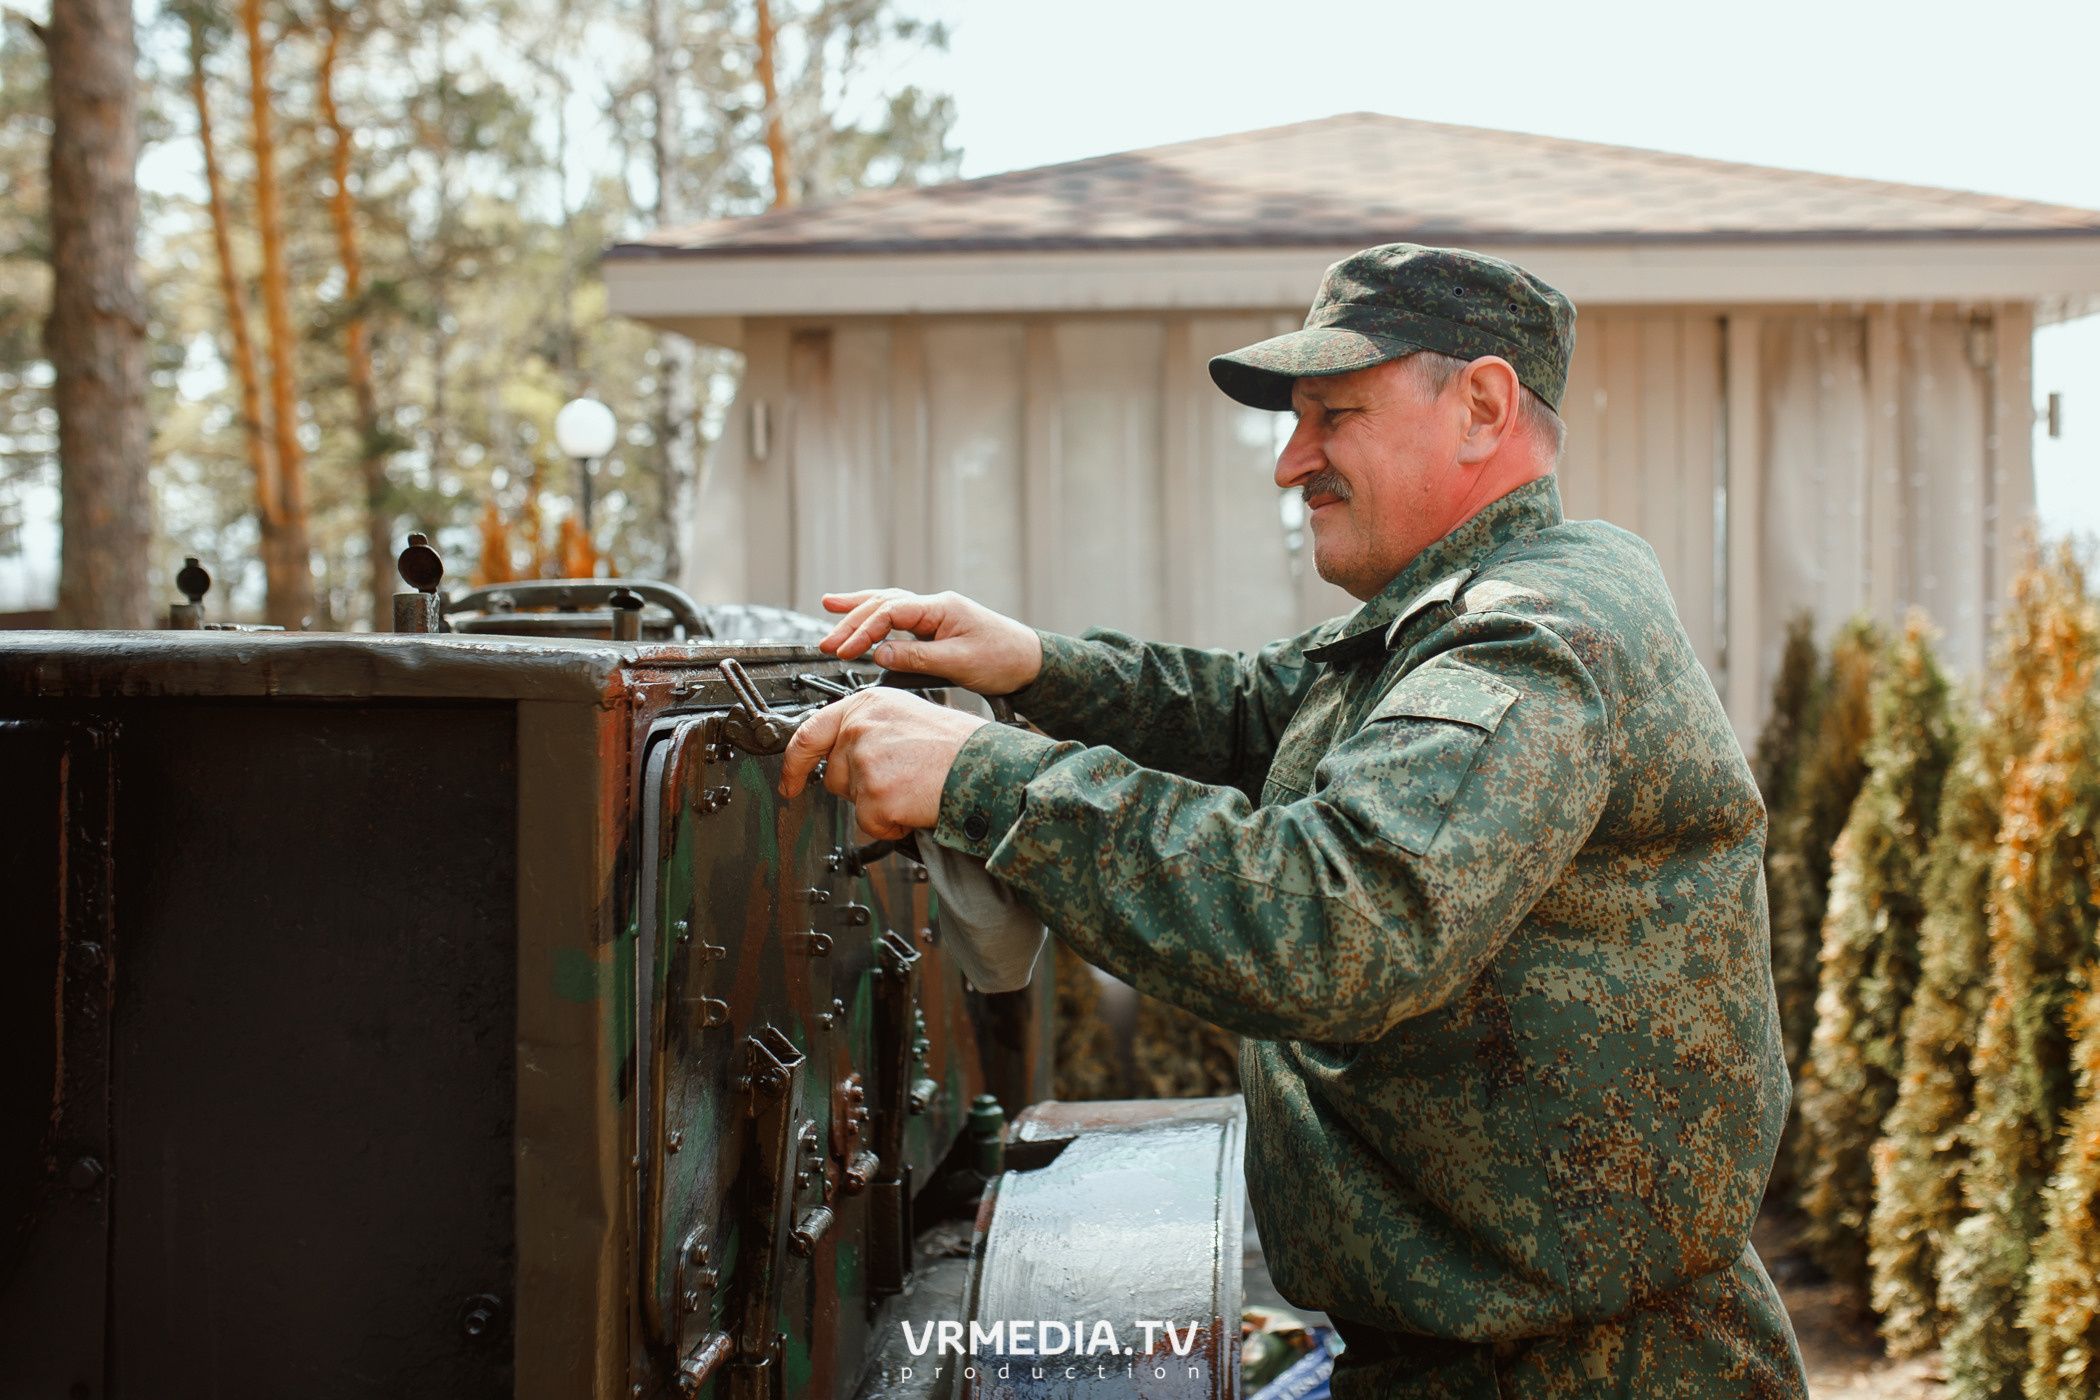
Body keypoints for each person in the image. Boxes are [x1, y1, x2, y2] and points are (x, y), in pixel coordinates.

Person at [779, 244, 1807, 1399]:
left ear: (1481, 406)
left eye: (1335, 414)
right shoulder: (1446, 610)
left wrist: (982, 776)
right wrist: (1033, 664)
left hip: (1577, 1373)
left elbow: (1340, 918)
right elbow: (1258, 710)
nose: (1290, 462)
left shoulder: (1534, 635)